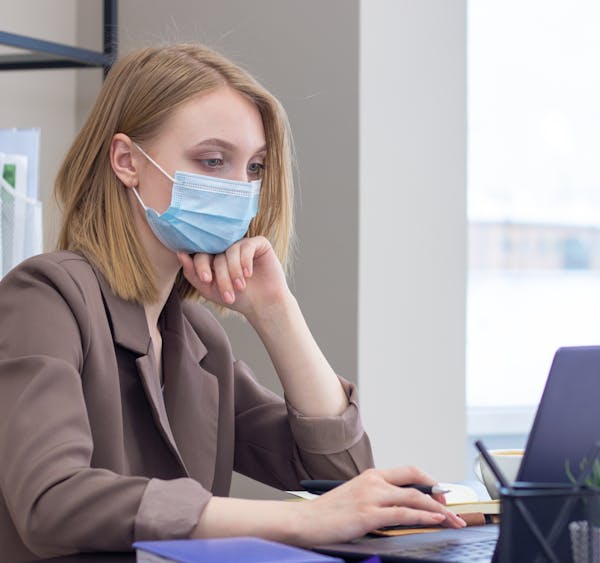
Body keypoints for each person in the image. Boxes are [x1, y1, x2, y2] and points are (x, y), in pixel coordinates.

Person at [0, 44, 465, 561]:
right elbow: (51, 500)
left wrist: (276, 311)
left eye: (255, 168)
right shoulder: (45, 296)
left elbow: (341, 476)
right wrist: (299, 520)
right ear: (127, 162)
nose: (240, 189)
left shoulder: (195, 336)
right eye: (213, 160)